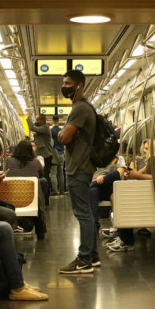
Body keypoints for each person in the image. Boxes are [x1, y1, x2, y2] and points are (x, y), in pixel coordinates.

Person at [0, 93, 48, 300]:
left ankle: (15, 275)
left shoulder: (9, 163)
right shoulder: (37, 162)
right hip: (27, 202)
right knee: (43, 185)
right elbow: (40, 175)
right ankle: (16, 285)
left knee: (8, 213)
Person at [56, 69, 98, 274]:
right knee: (86, 212)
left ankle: (84, 260)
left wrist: (63, 133)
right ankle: (94, 256)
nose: (64, 87)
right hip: (82, 165)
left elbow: (64, 138)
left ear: (78, 85)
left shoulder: (80, 108)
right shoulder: (83, 107)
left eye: (67, 83)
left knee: (83, 214)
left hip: (78, 167)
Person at [5, 139, 50, 239]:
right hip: (30, 199)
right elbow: (41, 175)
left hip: (11, 198)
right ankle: (40, 231)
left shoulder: (8, 161)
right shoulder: (36, 162)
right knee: (39, 185)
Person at [27, 113, 54, 180]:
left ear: (42, 120)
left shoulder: (45, 128)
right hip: (43, 155)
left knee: (45, 174)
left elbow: (32, 128)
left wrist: (29, 117)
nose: (36, 121)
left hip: (46, 155)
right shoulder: (42, 128)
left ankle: (46, 189)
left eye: (37, 120)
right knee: (43, 174)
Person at [49, 115, 66, 194]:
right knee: (61, 173)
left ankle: (55, 191)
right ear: (58, 121)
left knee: (53, 174)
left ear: (52, 121)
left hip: (54, 154)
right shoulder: (62, 130)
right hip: (61, 153)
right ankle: (62, 190)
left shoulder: (51, 131)